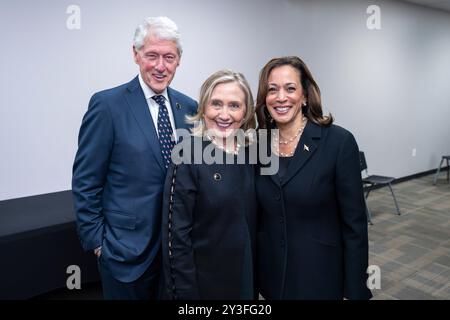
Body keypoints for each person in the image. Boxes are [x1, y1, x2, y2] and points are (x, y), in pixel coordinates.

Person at [71, 16, 197, 299]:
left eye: (169, 57)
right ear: (136, 54)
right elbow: (85, 181)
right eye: (152, 55)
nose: (160, 66)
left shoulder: (189, 108)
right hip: (124, 254)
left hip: (175, 255)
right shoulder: (107, 105)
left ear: (179, 60)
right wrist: (98, 244)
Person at [255, 56, 372, 300]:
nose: (280, 97)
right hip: (272, 278)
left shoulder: (338, 142)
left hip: (320, 277)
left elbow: (355, 226)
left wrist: (355, 290)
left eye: (290, 88)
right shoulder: (258, 143)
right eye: (272, 89)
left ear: (305, 96)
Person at [160, 70, 258, 299]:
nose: (224, 114)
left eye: (234, 105)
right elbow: (176, 239)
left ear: (245, 113)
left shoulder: (251, 154)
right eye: (216, 104)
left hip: (244, 278)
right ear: (203, 108)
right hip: (204, 286)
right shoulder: (187, 155)